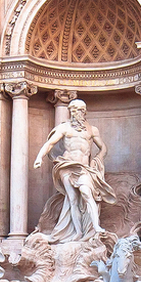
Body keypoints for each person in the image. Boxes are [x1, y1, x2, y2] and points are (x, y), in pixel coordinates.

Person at [32, 100, 112, 244]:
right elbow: (50, 143)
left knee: (87, 193)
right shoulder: (64, 128)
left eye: (80, 110)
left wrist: (98, 159)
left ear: (85, 111)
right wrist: (39, 157)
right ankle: (78, 232)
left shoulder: (92, 130)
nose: (77, 113)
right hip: (67, 166)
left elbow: (103, 148)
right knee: (72, 199)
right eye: (74, 110)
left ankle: (96, 226)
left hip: (83, 168)